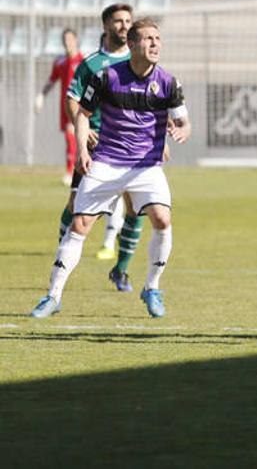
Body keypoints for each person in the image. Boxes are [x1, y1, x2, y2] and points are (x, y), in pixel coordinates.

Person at [31, 18, 190, 320]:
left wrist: (183, 130)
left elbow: (183, 120)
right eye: (148, 39)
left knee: (162, 218)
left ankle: (152, 288)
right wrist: (81, 150)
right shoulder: (106, 76)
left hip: (146, 166)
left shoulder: (168, 82)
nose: (155, 44)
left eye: (158, 38)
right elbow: (82, 114)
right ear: (132, 45)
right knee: (80, 226)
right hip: (106, 161)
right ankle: (53, 296)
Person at [64, 6, 145, 291]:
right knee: (76, 206)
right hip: (97, 144)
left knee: (135, 208)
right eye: (118, 21)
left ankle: (121, 270)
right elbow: (73, 99)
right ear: (106, 25)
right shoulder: (92, 63)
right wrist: (83, 130)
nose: (124, 26)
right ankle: (60, 261)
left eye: (127, 21)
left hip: (133, 146)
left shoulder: (142, 61)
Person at [34, 28, 83, 185]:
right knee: (70, 139)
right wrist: (41, 95)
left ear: (76, 41)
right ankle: (73, 170)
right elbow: (52, 80)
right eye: (65, 40)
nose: (67, 43)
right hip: (64, 106)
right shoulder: (60, 62)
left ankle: (72, 172)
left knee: (74, 137)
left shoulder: (83, 61)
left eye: (70, 39)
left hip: (80, 107)